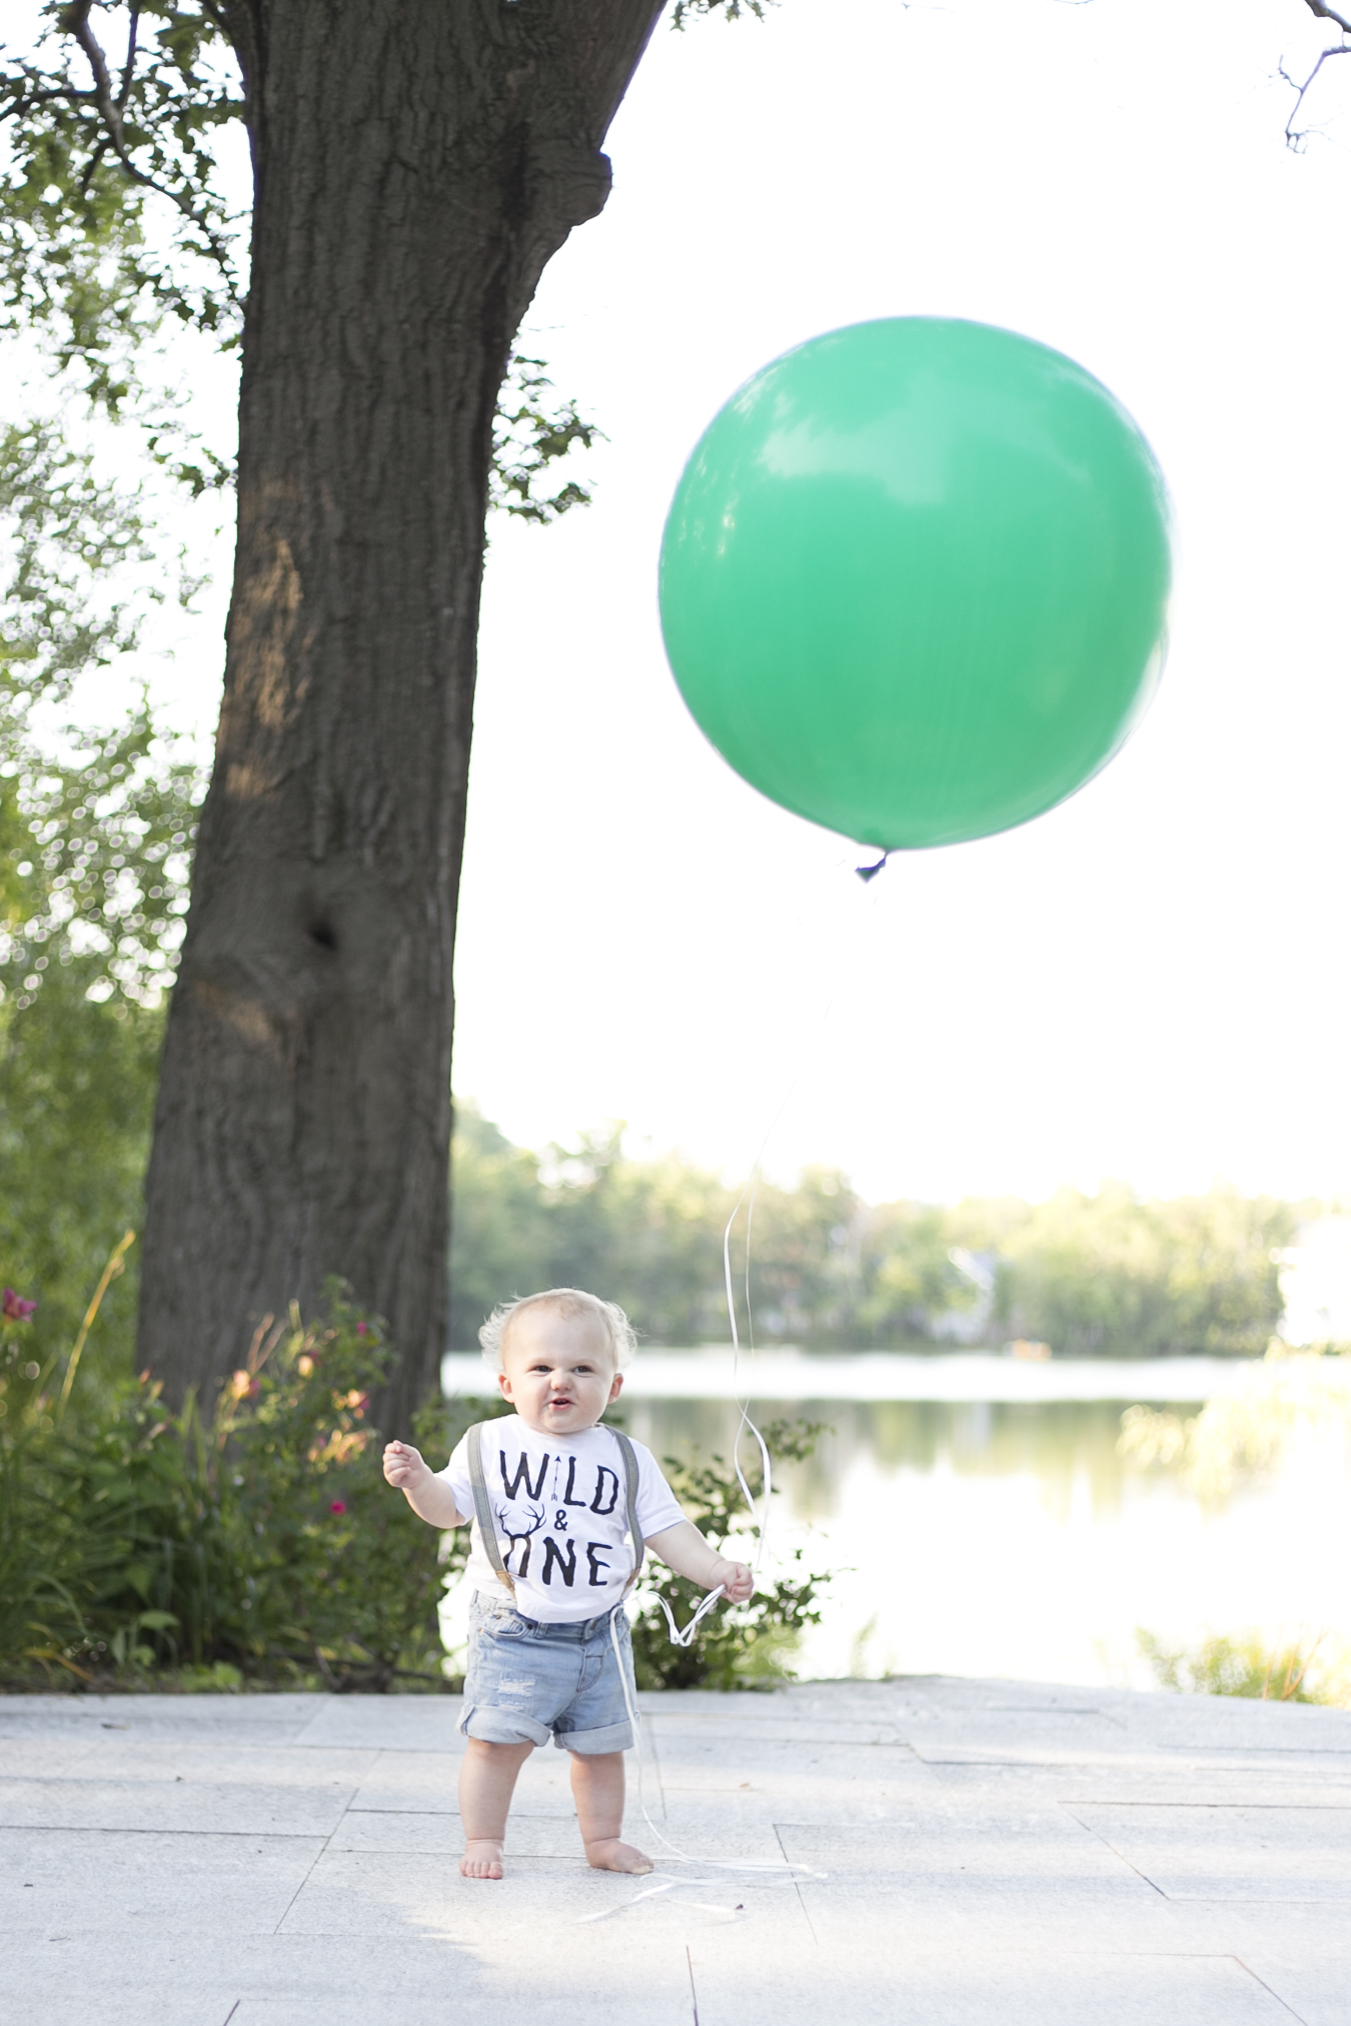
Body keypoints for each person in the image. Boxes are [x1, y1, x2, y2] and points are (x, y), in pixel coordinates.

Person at [383, 1287, 753, 1881]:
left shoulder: (626, 1458)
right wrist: (418, 1483)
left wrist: (715, 1570)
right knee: (495, 1744)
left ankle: (603, 1839)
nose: (562, 1380)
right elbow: (448, 1510)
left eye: (583, 1368)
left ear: (613, 1387)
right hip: (513, 1630)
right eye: (541, 1368)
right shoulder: (490, 1444)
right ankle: (484, 1838)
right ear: (508, 1384)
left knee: (601, 1749)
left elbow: (669, 1531)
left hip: (601, 1635)